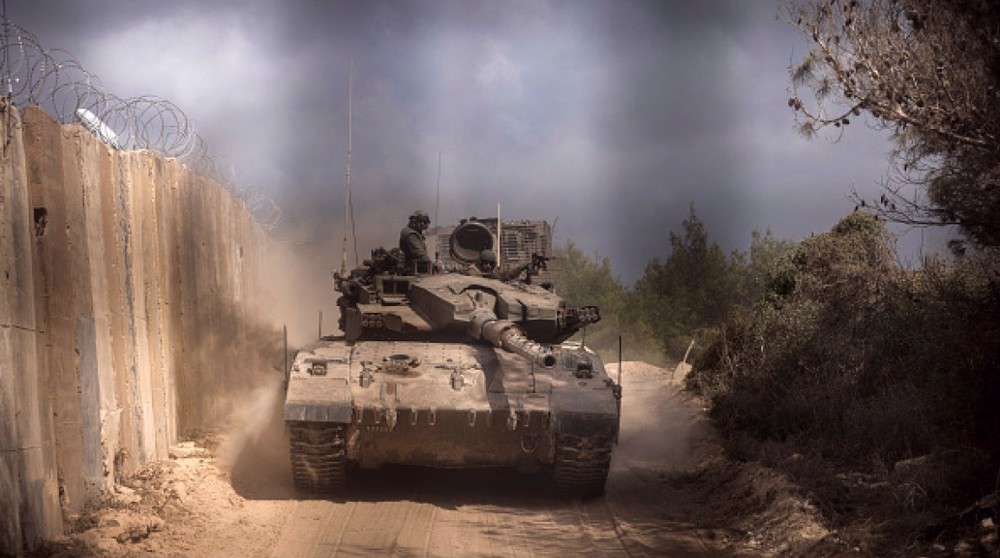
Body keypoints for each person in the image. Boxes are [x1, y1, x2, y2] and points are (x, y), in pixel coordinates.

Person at [467, 249, 532, 282]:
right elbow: (473, 275)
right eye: (485, 263)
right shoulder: (473, 270)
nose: (488, 266)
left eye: (491, 264)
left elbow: (507, 271)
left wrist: (522, 266)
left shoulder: (492, 272)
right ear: (480, 263)